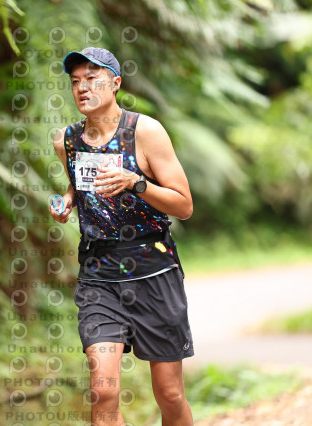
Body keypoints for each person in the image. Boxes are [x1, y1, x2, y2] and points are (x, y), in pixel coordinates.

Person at [50, 47, 195, 426]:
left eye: (92, 79)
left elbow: (183, 205)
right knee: (104, 391)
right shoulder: (67, 140)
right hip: (99, 275)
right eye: (75, 82)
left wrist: (136, 182)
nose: (82, 88)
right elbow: (79, 185)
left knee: (170, 394)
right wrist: (67, 201)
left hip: (154, 271)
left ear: (115, 83)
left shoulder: (144, 132)